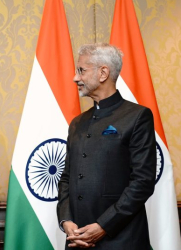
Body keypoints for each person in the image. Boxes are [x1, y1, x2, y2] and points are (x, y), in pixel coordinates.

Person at [57, 43, 156, 249]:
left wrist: (103, 225)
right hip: (77, 240)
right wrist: (66, 220)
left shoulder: (138, 116)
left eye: (81, 70)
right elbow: (66, 177)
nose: (76, 78)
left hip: (121, 239)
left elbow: (143, 182)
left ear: (103, 73)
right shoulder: (77, 123)